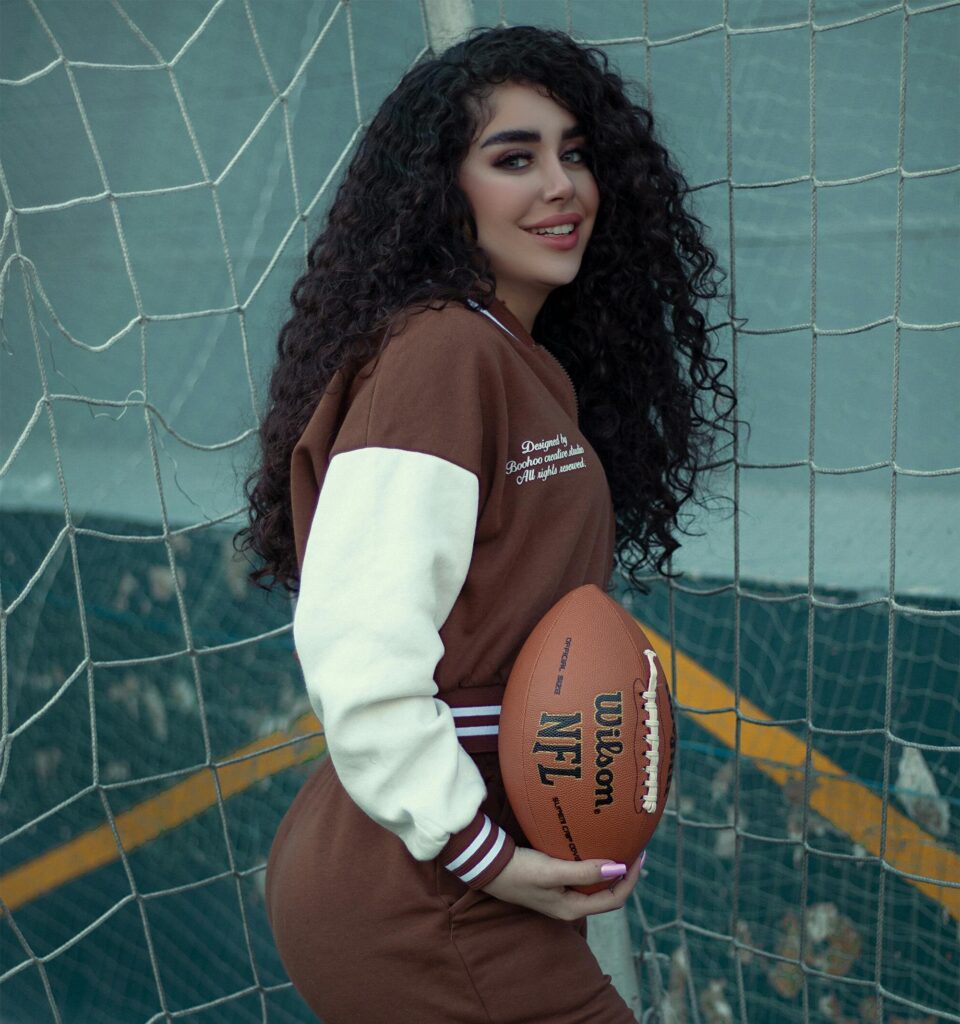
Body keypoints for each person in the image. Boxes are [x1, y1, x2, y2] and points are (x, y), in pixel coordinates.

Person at [234, 23, 738, 1024]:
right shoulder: (439, 355)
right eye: (515, 158)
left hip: (460, 874)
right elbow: (359, 652)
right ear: (440, 193)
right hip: (423, 892)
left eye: (576, 153)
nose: (562, 185)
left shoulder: (520, 360)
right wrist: (488, 855)